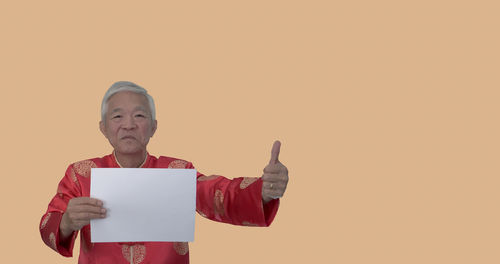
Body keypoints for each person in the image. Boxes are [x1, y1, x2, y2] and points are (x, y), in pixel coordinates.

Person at [39, 81, 289, 264]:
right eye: (117, 116)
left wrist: (263, 191)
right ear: (103, 127)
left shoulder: (177, 171)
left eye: (139, 115)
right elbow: (48, 224)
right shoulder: (81, 174)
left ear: (153, 127)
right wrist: (67, 222)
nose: (128, 124)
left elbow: (219, 196)